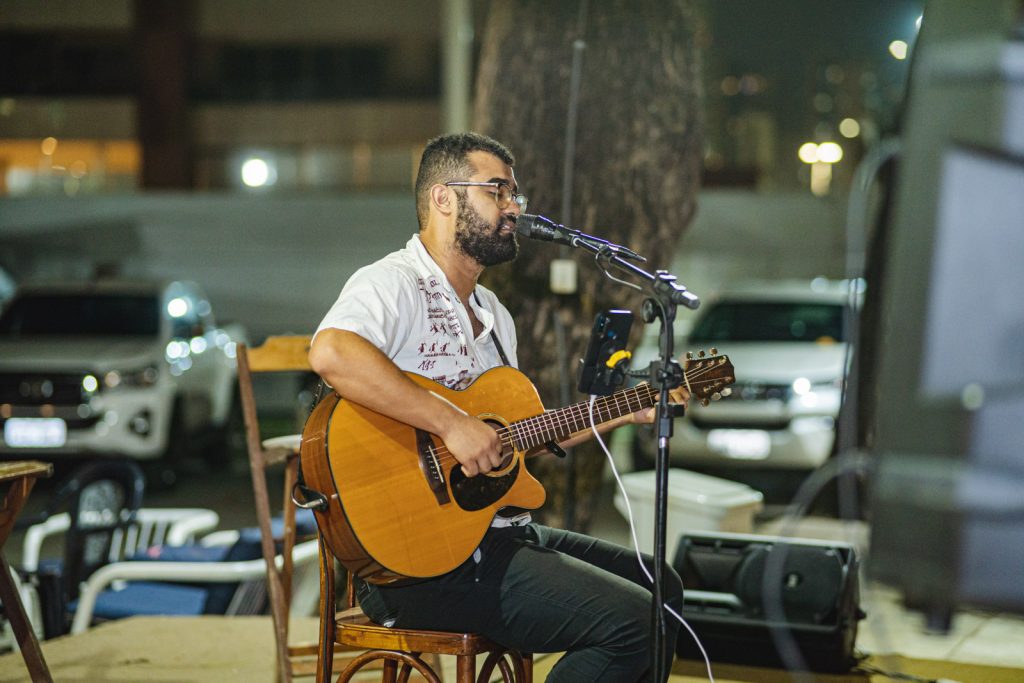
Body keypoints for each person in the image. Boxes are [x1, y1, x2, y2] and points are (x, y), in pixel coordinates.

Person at [309, 132, 686, 682]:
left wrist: (622, 411)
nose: (514, 207)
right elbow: (332, 352)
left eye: (516, 195)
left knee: (663, 588)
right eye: (497, 191)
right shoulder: (393, 283)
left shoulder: (493, 313)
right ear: (443, 198)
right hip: (423, 566)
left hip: (498, 534)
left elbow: (516, 435)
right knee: (631, 622)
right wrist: (451, 423)